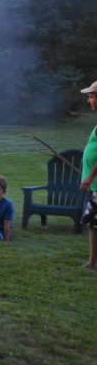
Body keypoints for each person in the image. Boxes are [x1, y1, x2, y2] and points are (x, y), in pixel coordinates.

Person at [79, 81, 97, 269]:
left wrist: (90, 176)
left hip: (96, 184)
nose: (89, 100)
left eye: (91, 96)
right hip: (94, 185)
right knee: (93, 224)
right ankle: (93, 261)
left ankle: (92, 263)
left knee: (93, 224)